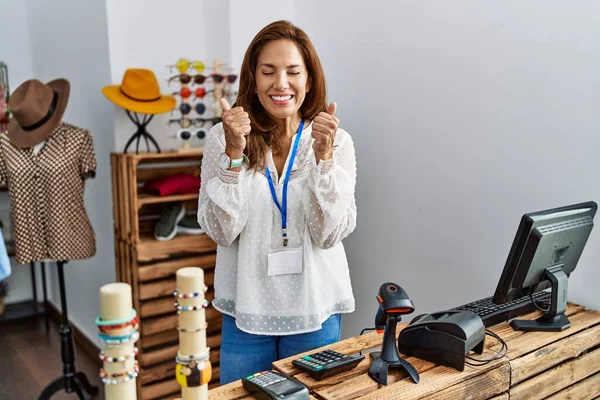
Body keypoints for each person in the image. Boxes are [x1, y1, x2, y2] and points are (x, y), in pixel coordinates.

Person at [198, 20, 357, 384]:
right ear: (253, 80)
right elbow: (221, 231)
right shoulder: (223, 138)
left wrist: (324, 160)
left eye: (293, 72)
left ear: (310, 81)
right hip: (246, 311)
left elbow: (329, 234)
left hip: (315, 311)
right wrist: (234, 154)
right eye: (268, 71)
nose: (281, 84)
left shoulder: (337, 141)